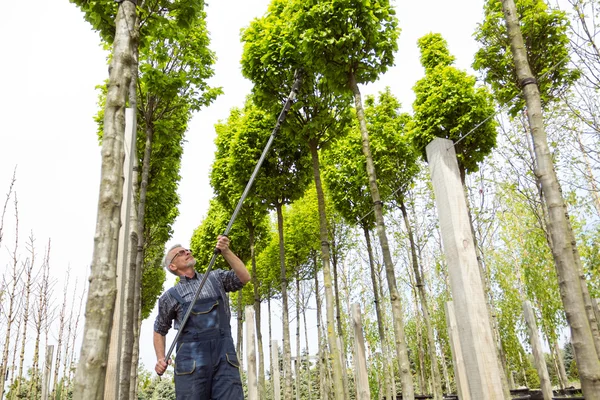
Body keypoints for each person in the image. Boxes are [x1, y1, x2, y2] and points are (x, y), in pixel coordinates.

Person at [153, 235, 250, 399]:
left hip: (223, 356)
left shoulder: (215, 278)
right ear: (172, 266)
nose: (186, 252)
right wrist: (160, 358)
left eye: (187, 250)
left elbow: (244, 277)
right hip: (190, 361)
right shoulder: (169, 297)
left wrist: (226, 251)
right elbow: (159, 330)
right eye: (181, 253)